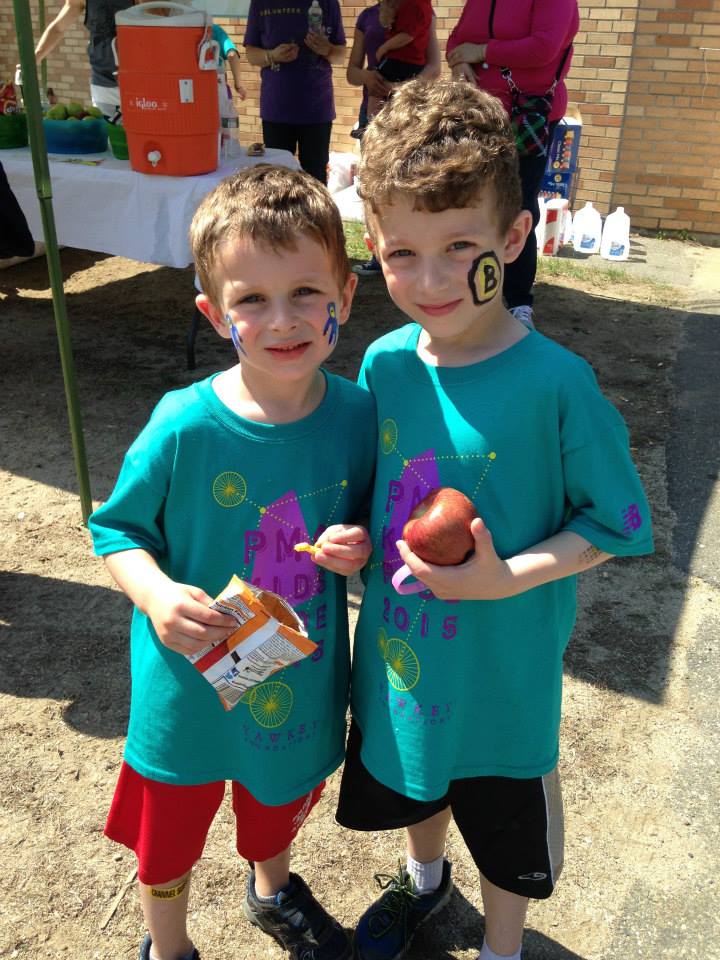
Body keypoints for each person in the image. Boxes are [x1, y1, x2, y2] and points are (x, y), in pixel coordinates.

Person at [335, 78, 653, 960]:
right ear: (374, 246)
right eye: (402, 253)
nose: (431, 280)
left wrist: (505, 577)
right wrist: (351, 539)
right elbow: (374, 491)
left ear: (513, 240)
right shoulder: (385, 364)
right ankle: (424, 880)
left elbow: (613, 523)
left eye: (460, 246)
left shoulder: (558, 383)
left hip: (507, 677)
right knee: (418, 776)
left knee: (506, 825)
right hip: (404, 659)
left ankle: (502, 947)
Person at [89, 164, 376, 960]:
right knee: (170, 835)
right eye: (251, 299)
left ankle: (272, 890)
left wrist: (359, 538)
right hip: (186, 687)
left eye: (306, 292)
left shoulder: (360, 416)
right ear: (215, 314)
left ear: (346, 296)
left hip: (295, 678)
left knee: (277, 804)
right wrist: (155, 596)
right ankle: (167, 945)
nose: (282, 320)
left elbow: (373, 517)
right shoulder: (182, 423)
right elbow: (116, 531)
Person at [446, 0, 579, 329]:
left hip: (527, 114)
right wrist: (458, 62)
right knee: (471, 204)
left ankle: (518, 299)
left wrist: (481, 52)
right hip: (478, 113)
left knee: (518, 206)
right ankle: (471, 290)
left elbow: (542, 48)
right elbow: (457, 41)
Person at [346, 0, 441, 278]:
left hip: (412, 110)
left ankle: (416, 252)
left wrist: (402, 90)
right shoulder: (366, 16)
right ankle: (380, 254)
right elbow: (352, 72)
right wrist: (366, 76)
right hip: (374, 111)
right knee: (375, 184)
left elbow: (434, 67)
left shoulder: (420, 9)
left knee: (413, 181)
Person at [244, 0, 347, 184]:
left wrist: (328, 49)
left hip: (316, 109)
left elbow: (340, 55)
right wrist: (272, 56)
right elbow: (251, 53)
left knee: (315, 180)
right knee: (277, 182)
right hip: (277, 108)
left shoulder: (328, 3)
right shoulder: (261, 3)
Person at [34, 0, 135, 120]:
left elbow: (154, 21)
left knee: (142, 129)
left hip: (139, 82)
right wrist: (35, 58)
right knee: (105, 130)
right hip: (103, 84)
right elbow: (57, 28)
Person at [365, 0, 433, 118]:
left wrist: (384, 48)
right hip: (414, 62)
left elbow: (407, 35)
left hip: (400, 59)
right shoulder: (421, 5)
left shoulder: (414, 4)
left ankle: (371, 121)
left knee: (377, 84)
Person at [212, 22, 247, 100]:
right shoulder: (214, 29)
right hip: (217, 85)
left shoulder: (184, 31)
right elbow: (232, 54)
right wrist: (238, 86)